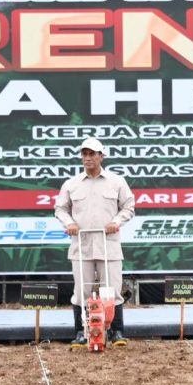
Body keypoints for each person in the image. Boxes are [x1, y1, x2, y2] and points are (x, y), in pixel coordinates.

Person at [54, 138, 135, 347]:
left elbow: (128, 207)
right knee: (82, 291)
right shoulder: (71, 184)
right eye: (84, 154)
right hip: (81, 245)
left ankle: (116, 331)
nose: (88, 158)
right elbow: (60, 208)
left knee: (112, 289)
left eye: (92, 154)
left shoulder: (117, 181)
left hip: (109, 244)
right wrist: (69, 223)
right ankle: (81, 331)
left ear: (101, 156)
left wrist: (116, 221)